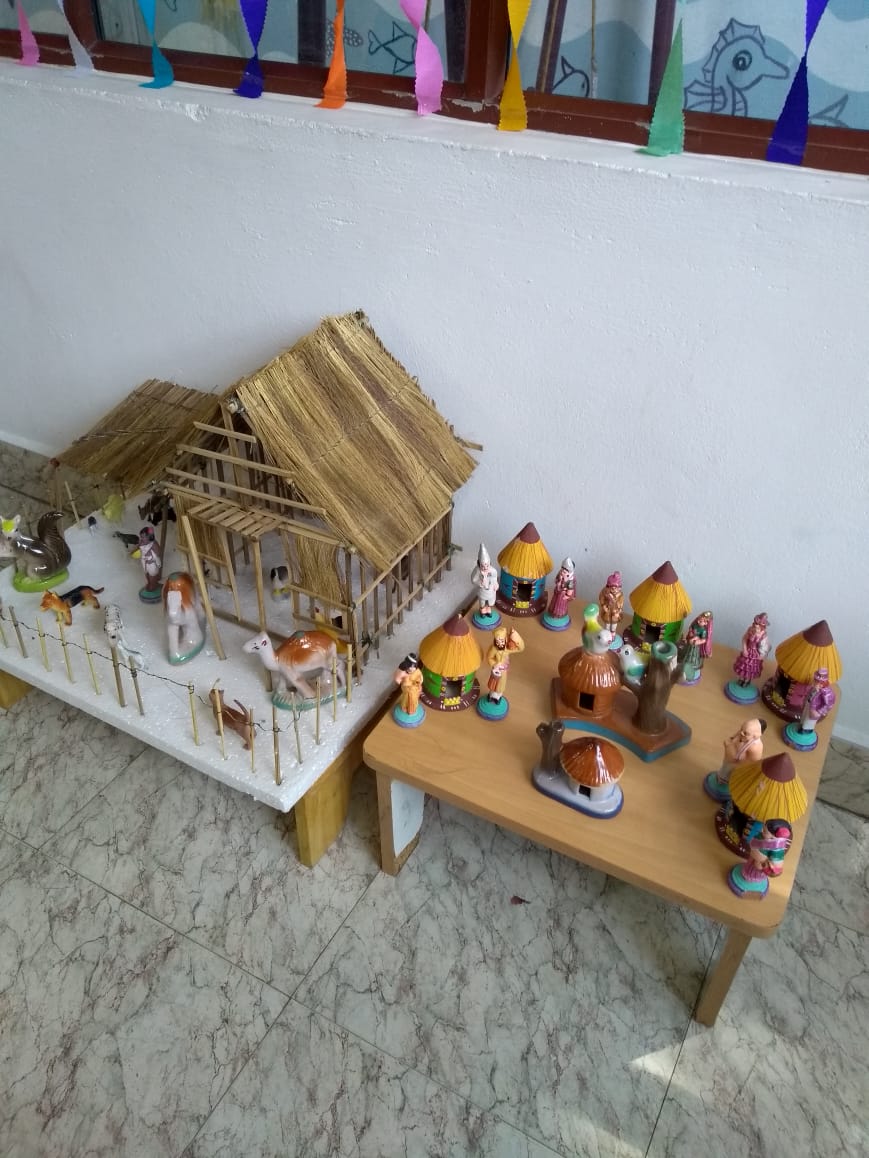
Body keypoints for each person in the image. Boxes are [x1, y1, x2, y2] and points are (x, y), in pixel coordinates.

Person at [704, 717, 766, 802]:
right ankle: (719, 780)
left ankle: (724, 785)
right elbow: (735, 736)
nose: (741, 733)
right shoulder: (743, 732)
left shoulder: (755, 748)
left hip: (736, 767)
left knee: (728, 776)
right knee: (723, 771)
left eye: (745, 733)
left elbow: (751, 763)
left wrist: (736, 763)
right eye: (741, 729)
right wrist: (730, 741)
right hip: (729, 760)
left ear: (756, 735)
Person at [485, 626, 525, 704]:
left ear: (505, 639)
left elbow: (521, 648)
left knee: (501, 684)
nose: (499, 643)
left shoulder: (508, 648)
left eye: (501, 640)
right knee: (493, 684)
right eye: (497, 641)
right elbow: (489, 657)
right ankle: (491, 695)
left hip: (503, 670)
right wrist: (495, 664)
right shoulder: (494, 649)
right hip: (496, 669)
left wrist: (515, 636)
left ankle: (498, 697)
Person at [732, 612, 770, 687]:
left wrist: (762, 654)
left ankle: (747, 680)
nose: (755, 629)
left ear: (762, 627)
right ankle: (741, 679)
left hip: (755, 653)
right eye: (755, 626)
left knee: (751, 667)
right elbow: (744, 639)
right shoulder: (750, 630)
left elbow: (765, 646)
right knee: (743, 665)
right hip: (748, 650)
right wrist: (744, 649)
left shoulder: (763, 635)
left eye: (758, 628)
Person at [797, 668, 836, 736]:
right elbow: (809, 694)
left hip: (815, 709)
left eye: (818, 681)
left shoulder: (827, 693)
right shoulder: (814, 688)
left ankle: (806, 730)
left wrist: (819, 712)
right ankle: (802, 725)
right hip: (809, 704)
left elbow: (828, 704)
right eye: (815, 680)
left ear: (823, 683)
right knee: (804, 716)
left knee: (809, 720)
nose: (815, 682)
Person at [680, 610, 713, 683]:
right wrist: (691, 632)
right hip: (690, 643)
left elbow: (704, 640)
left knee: (693, 658)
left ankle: (691, 671)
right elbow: (691, 628)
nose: (699, 622)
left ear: (706, 623)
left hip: (695, 647)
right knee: (686, 654)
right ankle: (684, 666)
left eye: (701, 621)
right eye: (699, 620)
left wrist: (697, 641)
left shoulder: (703, 631)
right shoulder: (695, 625)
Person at [471, 543, 499, 623]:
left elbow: (494, 577)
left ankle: (488, 610)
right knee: (482, 601)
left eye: (487, 565)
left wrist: (495, 584)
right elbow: (473, 579)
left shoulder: (492, 570)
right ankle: (482, 611)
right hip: (482, 590)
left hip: (490, 590)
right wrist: (480, 583)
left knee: (490, 601)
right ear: (479, 564)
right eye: (483, 566)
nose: (485, 568)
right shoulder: (477, 571)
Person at [394, 653, 423, 717]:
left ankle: (413, 708)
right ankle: (404, 708)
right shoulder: (403, 672)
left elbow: (420, 678)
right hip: (407, 689)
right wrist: (404, 682)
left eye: (413, 666)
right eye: (410, 666)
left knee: (414, 699)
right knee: (406, 699)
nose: (411, 669)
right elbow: (397, 680)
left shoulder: (417, 671)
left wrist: (417, 682)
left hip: (415, 689)